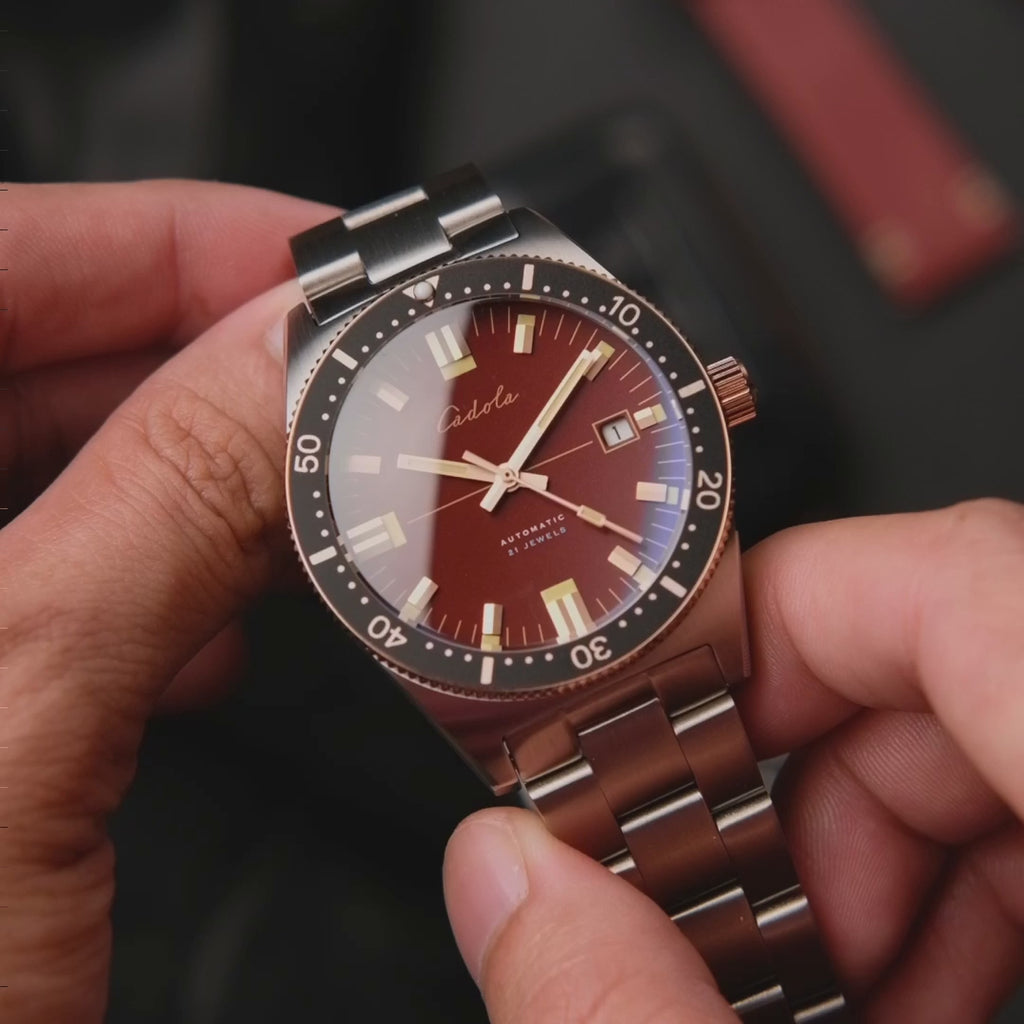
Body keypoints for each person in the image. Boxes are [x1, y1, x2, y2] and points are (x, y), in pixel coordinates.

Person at [2, 181, 1022, 1024]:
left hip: (634, 621)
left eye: (510, 472)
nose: (502, 483)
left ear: (715, 395)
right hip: (533, 685)